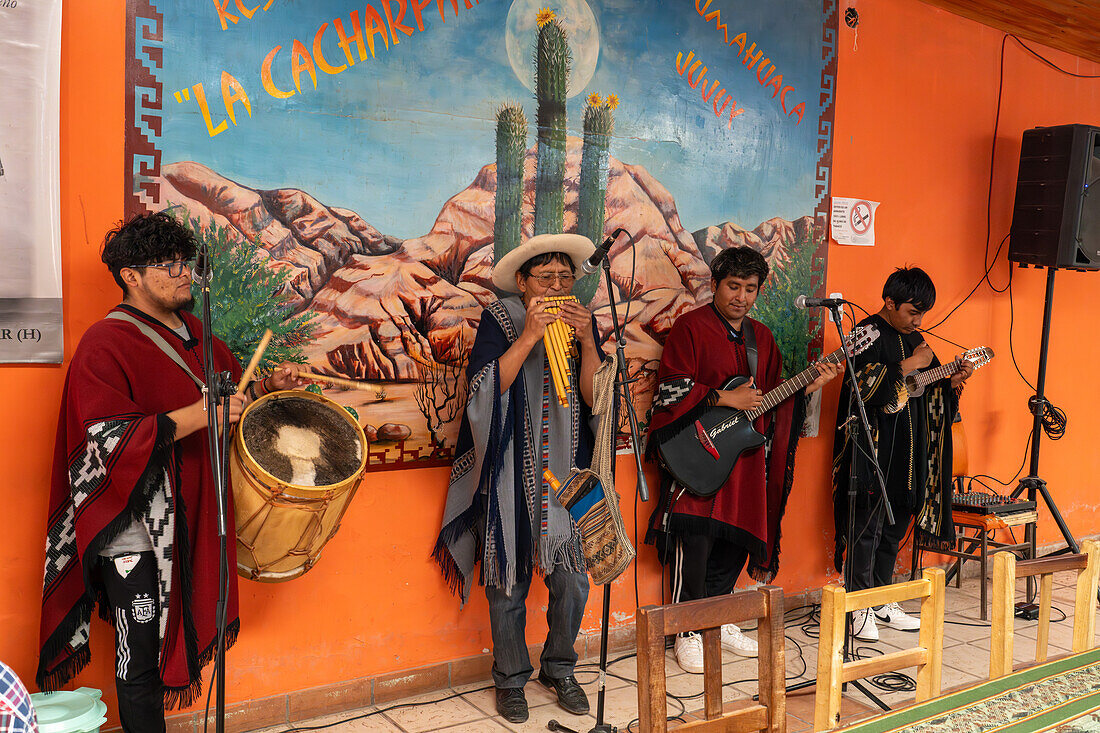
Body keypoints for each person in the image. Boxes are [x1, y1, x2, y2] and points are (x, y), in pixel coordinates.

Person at [37, 212, 304, 732]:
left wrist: (268, 386)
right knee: (138, 661)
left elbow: (234, 403)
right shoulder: (105, 343)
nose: (184, 273)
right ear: (131, 276)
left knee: (163, 646)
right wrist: (201, 411)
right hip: (134, 530)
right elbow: (104, 438)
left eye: (185, 261)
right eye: (167, 264)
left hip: (194, 516)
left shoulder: (201, 337)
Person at [433, 233, 606, 724]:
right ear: (523, 283)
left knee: (573, 581)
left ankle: (559, 666)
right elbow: (482, 391)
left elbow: (595, 399)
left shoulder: (582, 322)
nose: (556, 286)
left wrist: (589, 341)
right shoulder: (503, 318)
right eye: (545, 278)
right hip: (509, 475)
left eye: (565, 278)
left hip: (568, 478)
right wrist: (529, 336)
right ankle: (510, 679)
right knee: (507, 583)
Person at [646, 246, 840, 674]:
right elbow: (669, 392)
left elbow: (771, 402)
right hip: (697, 454)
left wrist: (808, 386)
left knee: (735, 541)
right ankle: (687, 629)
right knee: (694, 545)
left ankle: (719, 618)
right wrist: (721, 396)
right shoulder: (690, 328)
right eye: (733, 286)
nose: (741, 296)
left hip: (744, 460)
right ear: (714, 285)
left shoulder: (762, 338)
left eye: (750, 289)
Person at [831, 266, 972, 642]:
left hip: (909, 454)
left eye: (923, 313)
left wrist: (952, 381)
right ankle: (857, 606)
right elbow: (858, 387)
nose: (918, 320)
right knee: (866, 528)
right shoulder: (866, 333)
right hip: (873, 449)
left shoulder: (917, 338)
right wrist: (910, 365)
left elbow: (931, 389)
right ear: (889, 302)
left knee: (894, 527)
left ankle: (882, 599)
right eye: (912, 311)